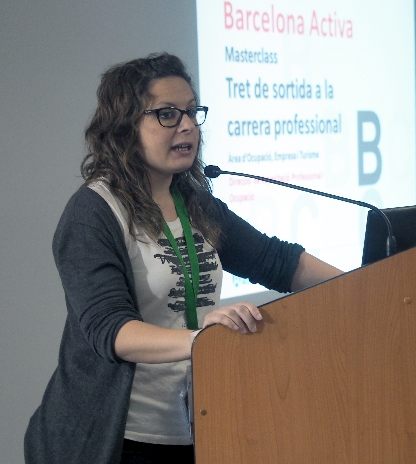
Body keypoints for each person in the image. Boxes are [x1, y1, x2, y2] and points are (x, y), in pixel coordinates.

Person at [24, 53, 341, 464]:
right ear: (125, 127)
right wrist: (203, 340)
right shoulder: (93, 212)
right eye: (168, 114)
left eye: (192, 111)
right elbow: (111, 331)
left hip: (194, 427)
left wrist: (369, 282)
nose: (188, 125)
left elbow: (279, 262)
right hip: (113, 439)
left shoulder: (194, 203)